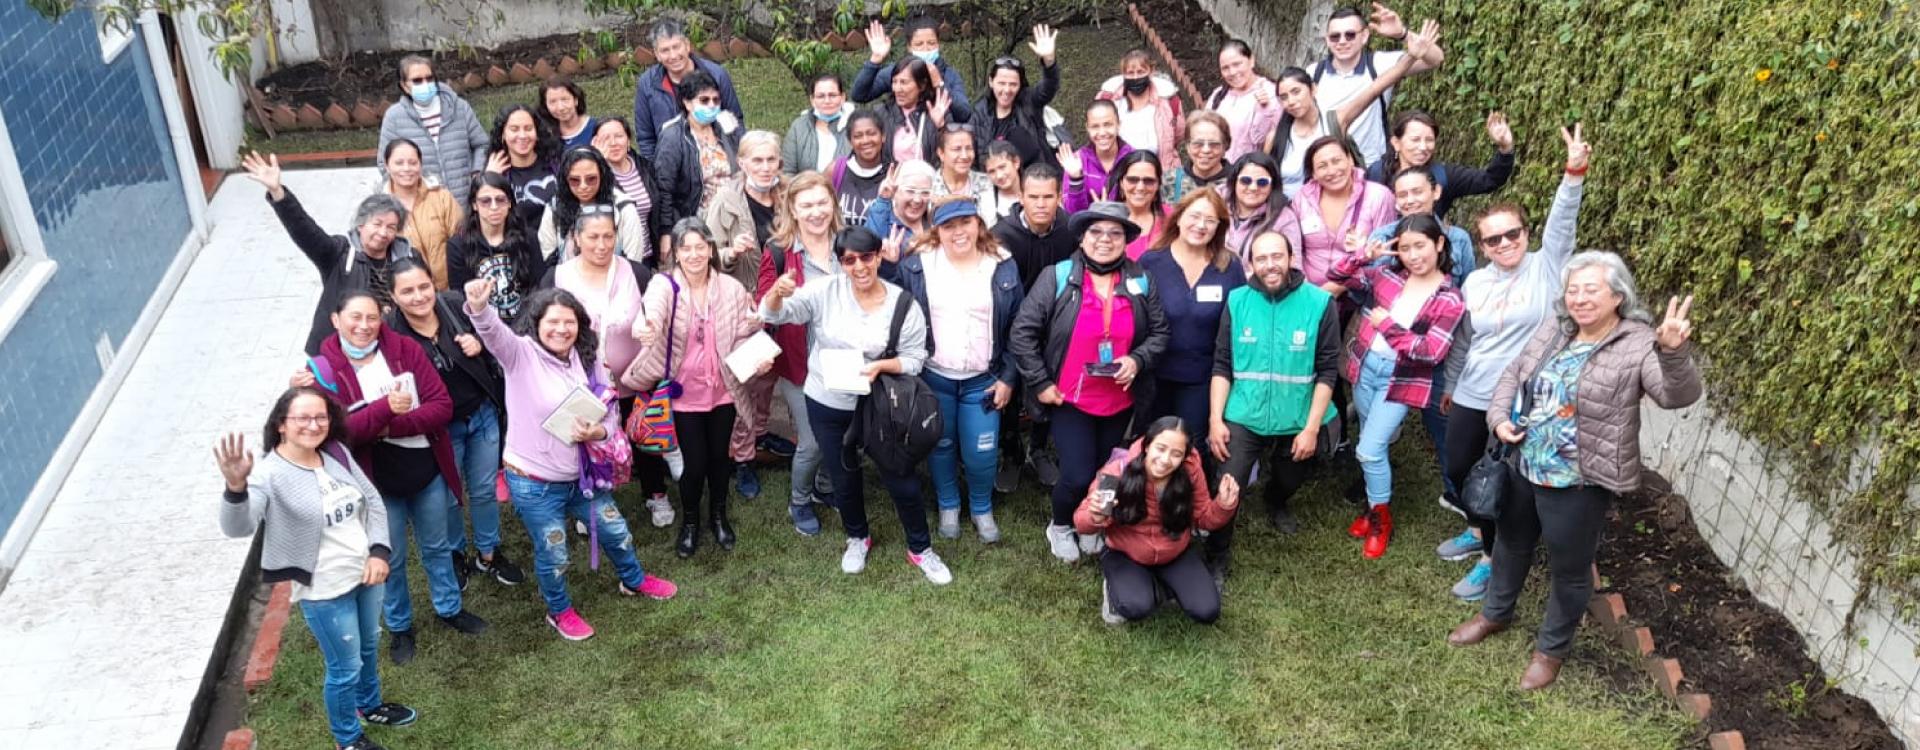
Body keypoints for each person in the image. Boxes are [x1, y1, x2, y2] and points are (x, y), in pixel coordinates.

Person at [1449, 252, 1701, 691]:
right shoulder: (1555, 328)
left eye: (1591, 290)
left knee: (1569, 569)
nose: (1580, 299)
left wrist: (1674, 352)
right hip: (1524, 461)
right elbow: (1514, 373)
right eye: (1573, 290)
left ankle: (1550, 651)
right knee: (1511, 541)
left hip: (1578, 479)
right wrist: (1498, 418)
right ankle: (1495, 614)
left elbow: (1675, 396)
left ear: (1618, 295)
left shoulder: (1638, 342)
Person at [462, 280, 679, 642]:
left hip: (582, 476)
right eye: (553, 322)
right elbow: (493, 334)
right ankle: (558, 611)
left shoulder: (587, 359)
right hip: (534, 481)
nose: (561, 329)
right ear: (536, 324)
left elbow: (606, 411)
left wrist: (598, 434)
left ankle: (634, 580)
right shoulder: (520, 355)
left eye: (569, 322)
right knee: (554, 551)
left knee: (616, 530)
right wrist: (480, 309)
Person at [216, 389, 418, 750]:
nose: (314, 425)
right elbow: (238, 528)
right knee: (345, 667)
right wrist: (235, 488)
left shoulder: (335, 452)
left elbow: (371, 499)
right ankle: (347, 738)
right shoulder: (268, 475)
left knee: (369, 646)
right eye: (303, 418)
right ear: (281, 424)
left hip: (366, 575)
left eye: (321, 417)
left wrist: (378, 552)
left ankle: (369, 706)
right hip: (324, 591)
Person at [1437, 124, 1589, 602]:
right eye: (1493, 239)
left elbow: (1563, 222)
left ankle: (1491, 557)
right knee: (1460, 468)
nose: (1504, 244)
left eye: (1512, 234)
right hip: (1473, 389)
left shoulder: (1547, 268)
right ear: (1481, 246)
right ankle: (1480, 532)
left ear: (1526, 233)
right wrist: (1450, 382)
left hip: (1521, 399)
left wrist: (1574, 173)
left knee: (1505, 480)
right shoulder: (1477, 284)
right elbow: (1464, 338)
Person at [760, 227, 953, 585]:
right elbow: (774, 315)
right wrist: (775, 294)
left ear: (879, 257)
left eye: (866, 257)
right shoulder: (823, 290)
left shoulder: (902, 303)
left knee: (901, 478)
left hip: (880, 405)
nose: (859, 266)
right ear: (840, 262)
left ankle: (920, 547)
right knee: (842, 474)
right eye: (849, 260)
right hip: (828, 400)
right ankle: (857, 536)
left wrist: (883, 366)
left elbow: (915, 358)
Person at [303, 291, 488, 665]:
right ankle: (400, 626)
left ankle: (449, 608)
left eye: (372, 317)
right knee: (392, 558)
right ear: (336, 320)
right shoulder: (324, 371)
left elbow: (440, 406)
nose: (364, 326)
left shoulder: (404, 349)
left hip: (426, 470)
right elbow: (340, 433)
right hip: (374, 485)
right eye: (354, 317)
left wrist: (387, 427)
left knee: (437, 547)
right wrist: (385, 409)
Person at [1009, 201, 1170, 565]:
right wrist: (1040, 382)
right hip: (1071, 399)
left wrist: (1137, 359)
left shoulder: (1141, 279)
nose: (1105, 240)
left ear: (1126, 240)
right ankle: (1062, 524)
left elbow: (1160, 332)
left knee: (1108, 472)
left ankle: (1094, 522)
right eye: (1096, 232)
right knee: (1078, 472)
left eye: (1115, 233)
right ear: (1081, 237)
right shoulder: (1058, 276)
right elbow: (1022, 334)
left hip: (1123, 399)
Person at [625, 218, 771, 558]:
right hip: (684, 394)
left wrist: (758, 359)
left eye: (699, 247)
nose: (693, 255)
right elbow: (650, 315)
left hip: (723, 392)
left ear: (711, 249)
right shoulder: (665, 285)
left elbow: (744, 334)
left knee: (720, 460)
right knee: (695, 464)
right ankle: (690, 521)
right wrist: (645, 329)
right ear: (675, 253)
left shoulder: (731, 288)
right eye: (685, 248)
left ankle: (718, 516)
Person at [1325, 214, 1465, 559]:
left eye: (1420, 246)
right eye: (1405, 249)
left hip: (1399, 379)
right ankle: (1374, 506)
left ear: (1440, 244)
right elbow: (1338, 276)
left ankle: (1380, 521)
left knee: (1369, 450)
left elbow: (1431, 351)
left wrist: (1387, 325)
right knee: (1373, 443)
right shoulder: (1387, 276)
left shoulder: (1449, 298)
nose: (1414, 255)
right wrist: (1364, 256)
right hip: (1364, 368)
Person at [384, 260, 526, 591]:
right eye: (407, 291)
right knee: (449, 497)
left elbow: (496, 337)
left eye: (423, 286)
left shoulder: (451, 305)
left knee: (483, 488)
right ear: (393, 297)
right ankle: (456, 554)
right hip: (438, 430)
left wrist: (479, 344)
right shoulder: (391, 336)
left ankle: (488, 553)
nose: (419, 297)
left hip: (480, 416)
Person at [1205, 232, 1339, 582]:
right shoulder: (1237, 302)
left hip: (1298, 415)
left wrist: (1311, 429)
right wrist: (1215, 419)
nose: (1270, 265)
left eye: (1276, 256)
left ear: (1291, 257)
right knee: (1227, 484)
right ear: (1251, 264)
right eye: (1261, 258)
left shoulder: (1320, 303)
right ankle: (1216, 555)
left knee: (1291, 476)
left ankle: (1276, 499)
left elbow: (1327, 371)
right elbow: (1222, 364)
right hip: (1243, 413)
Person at [894, 199, 1024, 542]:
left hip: (984, 380)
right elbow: (899, 319)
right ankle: (948, 504)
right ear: (937, 230)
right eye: (949, 226)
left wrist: (1009, 378)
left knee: (981, 451)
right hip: (935, 378)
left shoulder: (1002, 265)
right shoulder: (918, 266)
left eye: (965, 222)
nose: (958, 232)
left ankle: (981, 507)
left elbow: (1016, 328)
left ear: (978, 224)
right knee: (941, 445)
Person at [538, 208, 676, 529]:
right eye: (593, 237)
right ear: (576, 238)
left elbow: (659, 312)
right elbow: (542, 325)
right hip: (582, 382)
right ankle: (590, 500)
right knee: (587, 442)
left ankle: (656, 493)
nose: (602, 245)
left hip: (634, 377)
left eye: (608, 237)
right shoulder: (557, 277)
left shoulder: (637, 273)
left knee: (643, 436)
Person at [242, 152, 421, 356]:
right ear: (361, 225)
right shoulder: (339, 253)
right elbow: (304, 230)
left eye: (391, 227)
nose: (383, 233)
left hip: (386, 348)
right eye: (377, 224)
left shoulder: (408, 257)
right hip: (338, 350)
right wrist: (278, 192)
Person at [1075, 417, 1239, 624]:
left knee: (1207, 611)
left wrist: (1223, 505)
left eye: (1176, 454)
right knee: (1135, 607)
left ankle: (1155, 585)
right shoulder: (1117, 471)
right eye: (1160, 448)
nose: (1165, 460)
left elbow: (1204, 518)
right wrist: (1096, 515)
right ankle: (1120, 586)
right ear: (1147, 445)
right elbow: (1081, 522)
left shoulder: (1191, 472)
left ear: (1184, 457)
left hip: (1174, 551)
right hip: (1126, 553)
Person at [702, 131, 796, 492]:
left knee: (770, 379)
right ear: (741, 163)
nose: (765, 167)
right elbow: (707, 256)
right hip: (742, 308)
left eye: (771, 160)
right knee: (744, 383)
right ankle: (741, 458)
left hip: (784, 303)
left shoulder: (789, 194)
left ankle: (759, 436)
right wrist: (729, 253)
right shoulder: (726, 200)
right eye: (756, 160)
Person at [756, 172, 843, 535]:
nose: (816, 212)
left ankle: (824, 486)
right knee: (811, 441)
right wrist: (777, 291)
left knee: (837, 435)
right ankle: (800, 500)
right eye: (806, 205)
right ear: (792, 208)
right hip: (799, 364)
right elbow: (764, 308)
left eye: (822, 202)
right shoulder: (779, 252)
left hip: (843, 360)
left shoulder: (847, 243)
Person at [1268, 21, 1434, 198]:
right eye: (1283, 97)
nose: (1291, 101)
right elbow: (1267, 178)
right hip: (1286, 216)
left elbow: (1374, 89)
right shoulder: (1276, 137)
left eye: (1296, 92)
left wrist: (1411, 56)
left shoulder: (1335, 121)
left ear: (1313, 89)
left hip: (1331, 210)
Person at [1137, 189, 1244, 450]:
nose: (1200, 225)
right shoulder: (1151, 262)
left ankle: (1192, 490)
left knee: (1191, 447)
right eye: (1195, 216)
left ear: (1220, 226)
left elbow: (1239, 323)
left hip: (1202, 375)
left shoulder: (1230, 267)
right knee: (1154, 444)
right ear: (1179, 216)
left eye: (1210, 220)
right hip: (1155, 375)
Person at [991, 162, 1073, 490]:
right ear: (1021, 196)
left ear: (1059, 196)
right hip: (1011, 324)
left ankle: (1038, 449)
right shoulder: (1002, 234)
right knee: (1009, 391)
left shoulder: (1070, 230)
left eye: (1048, 197)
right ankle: (1010, 452)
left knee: (1049, 387)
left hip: (1055, 323)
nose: (1041, 204)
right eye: (1034, 196)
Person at [1311, 3, 1445, 167]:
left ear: (1365, 36)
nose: (1342, 41)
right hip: (1328, 165)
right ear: (1327, 40)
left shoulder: (1379, 64)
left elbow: (1435, 59)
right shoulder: (1314, 72)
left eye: (1350, 35)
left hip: (1372, 165)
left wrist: (1402, 34)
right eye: (1335, 36)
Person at [379, 54, 489, 207]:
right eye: (417, 80)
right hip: (424, 210)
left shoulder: (459, 108)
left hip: (465, 203)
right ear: (404, 86)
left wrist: (477, 173)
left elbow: (482, 144)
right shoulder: (394, 117)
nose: (425, 84)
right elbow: (384, 164)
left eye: (429, 78)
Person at [1365, 110, 1515, 219]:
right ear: (1396, 143)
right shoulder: (1377, 174)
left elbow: (1489, 180)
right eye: (1415, 140)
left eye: (1429, 140)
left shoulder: (1443, 176)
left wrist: (1505, 148)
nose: (1423, 147)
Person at [631, 18, 744, 161]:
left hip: (716, 161)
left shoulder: (716, 75)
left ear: (687, 45)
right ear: (657, 54)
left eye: (676, 47)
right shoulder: (647, 84)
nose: (673, 56)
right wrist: (656, 173)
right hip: (671, 164)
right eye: (665, 50)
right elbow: (646, 138)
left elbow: (735, 121)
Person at [1294, 136, 1396, 293]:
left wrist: (1337, 288)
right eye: (1322, 166)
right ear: (1313, 174)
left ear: (1350, 160)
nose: (1332, 171)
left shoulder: (1378, 196)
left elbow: (1383, 257)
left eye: (1336, 161)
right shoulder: (1302, 198)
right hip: (1306, 292)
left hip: (1356, 292)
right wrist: (1302, 287)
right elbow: (1294, 248)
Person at [655, 70, 744, 237]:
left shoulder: (727, 127)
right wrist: (666, 232)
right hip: (698, 218)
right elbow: (664, 188)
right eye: (704, 100)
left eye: (716, 100)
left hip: (737, 209)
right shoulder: (673, 137)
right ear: (687, 103)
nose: (712, 105)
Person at [447, 172, 544, 322]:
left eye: (500, 200)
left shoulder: (528, 237)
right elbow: (461, 297)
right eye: (485, 201)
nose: (494, 207)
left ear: (509, 203)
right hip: (483, 326)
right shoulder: (458, 245)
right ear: (474, 205)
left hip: (527, 324)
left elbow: (539, 287)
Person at [539, 147, 652, 263]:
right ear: (565, 180)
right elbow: (548, 255)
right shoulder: (554, 207)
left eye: (591, 179)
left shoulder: (623, 207)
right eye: (574, 180)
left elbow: (633, 259)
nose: (583, 186)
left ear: (601, 175)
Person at [971, 25, 1061, 171]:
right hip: (992, 180)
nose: (1007, 90)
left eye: (1013, 84)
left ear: (1021, 85)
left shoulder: (1029, 102)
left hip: (1029, 179)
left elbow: (1048, 88)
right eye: (1001, 83)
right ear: (991, 82)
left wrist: (1049, 62)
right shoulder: (980, 112)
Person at [376, 138, 461, 289]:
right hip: (409, 295)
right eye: (399, 163)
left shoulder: (441, 197)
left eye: (413, 163)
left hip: (450, 289)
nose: (406, 168)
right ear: (387, 166)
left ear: (420, 165)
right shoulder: (378, 207)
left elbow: (461, 238)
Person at [590, 117, 671, 266]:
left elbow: (664, 200)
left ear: (628, 141)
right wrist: (599, 162)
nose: (613, 143)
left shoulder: (645, 167)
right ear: (596, 144)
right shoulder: (594, 177)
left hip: (648, 255)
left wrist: (665, 233)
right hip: (615, 259)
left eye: (619, 136)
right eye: (605, 138)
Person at [852, 17, 972, 114]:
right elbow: (859, 95)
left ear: (938, 44)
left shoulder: (949, 75)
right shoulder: (896, 73)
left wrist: (939, 85)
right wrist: (875, 60)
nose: (926, 48)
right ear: (909, 47)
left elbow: (964, 113)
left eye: (931, 43)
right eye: (919, 44)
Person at [1096, 49, 1186, 174]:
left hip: (1161, 170)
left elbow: (1178, 133)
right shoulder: (1109, 100)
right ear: (1123, 74)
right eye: (1130, 73)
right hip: (1119, 171)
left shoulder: (1168, 100)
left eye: (1140, 72)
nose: (1135, 77)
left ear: (1151, 72)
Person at [485, 104, 561, 239]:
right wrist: (489, 181)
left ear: (537, 133)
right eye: (514, 129)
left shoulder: (556, 164)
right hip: (518, 248)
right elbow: (485, 220)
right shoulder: (495, 171)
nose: (522, 135)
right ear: (503, 134)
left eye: (528, 128)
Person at [1204, 40, 1283, 163]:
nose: (1232, 72)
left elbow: (1267, 141)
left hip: (1249, 174)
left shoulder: (1270, 94)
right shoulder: (1218, 94)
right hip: (1216, 171)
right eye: (1225, 68)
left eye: (1237, 64)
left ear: (1251, 60)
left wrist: (1264, 110)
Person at [873, 57, 961, 164]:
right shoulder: (882, 113)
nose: (897, 88)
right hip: (892, 178)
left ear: (922, 85)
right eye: (894, 82)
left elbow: (952, 153)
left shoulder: (937, 111)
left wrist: (941, 127)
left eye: (904, 82)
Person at [1220, 152, 1304, 265]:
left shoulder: (1285, 219)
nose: (1253, 187)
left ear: (1273, 186)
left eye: (1262, 182)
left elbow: (1294, 266)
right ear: (1234, 181)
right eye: (1246, 180)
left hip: (1256, 281)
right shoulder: (1215, 203)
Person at [1058, 101, 1132, 213]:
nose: (1102, 132)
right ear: (1087, 128)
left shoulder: (1134, 159)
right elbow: (1072, 213)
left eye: (1107, 124)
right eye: (1095, 126)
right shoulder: (1077, 161)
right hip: (1089, 229)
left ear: (1118, 125)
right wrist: (1076, 179)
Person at [782, 74, 852, 177]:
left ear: (842, 98)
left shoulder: (855, 126)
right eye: (820, 96)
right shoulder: (799, 127)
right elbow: (788, 171)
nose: (827, 101)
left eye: (832, 95)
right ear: (812, 100)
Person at [830, 110, 891, 227]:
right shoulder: (835, 170)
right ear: (850, 141)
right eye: (858, 136)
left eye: (871, 133)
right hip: (841, 244)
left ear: (883, 136)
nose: (865, 140)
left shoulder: (895, 174)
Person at [1160, 111, 1233, 205]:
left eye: (1214, 144)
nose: (1206, 150)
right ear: (1187, 146)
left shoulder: (1238, 183)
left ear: (1225, 147)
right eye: (1198, 144)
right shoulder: (1169, 181)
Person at [863, 159, 936, 246]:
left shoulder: (936, 222)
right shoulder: (881, 219)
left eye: (925, 192)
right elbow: (868, 250)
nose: (917, 200)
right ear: (895, 191)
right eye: (910, 191)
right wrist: (883, 200)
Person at [933, 124, 992, 202]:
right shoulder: (929, 187)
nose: (964, 156)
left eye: (969, 148)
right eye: (957, 149)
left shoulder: (988, 183)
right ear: (941, 153)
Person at [538, 77, 597, 151]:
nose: (560, 108)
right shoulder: (546, 135)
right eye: (553, 102)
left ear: (575, 100)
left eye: (565, 99)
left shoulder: (595, 128)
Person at [978, 141, 1023, 226]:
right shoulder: (985, 201)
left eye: (1002, 167)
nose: (999, 176)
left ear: (1016, 162)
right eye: (992, 171)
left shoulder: (1035, 190)